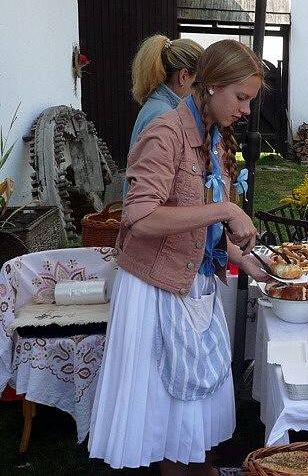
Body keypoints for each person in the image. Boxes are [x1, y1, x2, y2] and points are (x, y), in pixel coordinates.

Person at [89, 39, 271, 474]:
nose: (246, 110)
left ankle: (200, 468)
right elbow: (140, 216)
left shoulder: (210, 135)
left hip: (193, 281)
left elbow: (194, 223)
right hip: (156, 287)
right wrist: (227, 210)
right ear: (210, 86)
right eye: (241, 98)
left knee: (194, 403)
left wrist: (235, 254)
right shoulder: (166, 131)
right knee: (170, 407)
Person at [129, 34, 204, 149]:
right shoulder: (163, 115)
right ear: (183, 76)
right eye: (198, 82)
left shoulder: (158, 106)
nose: (201, 90)